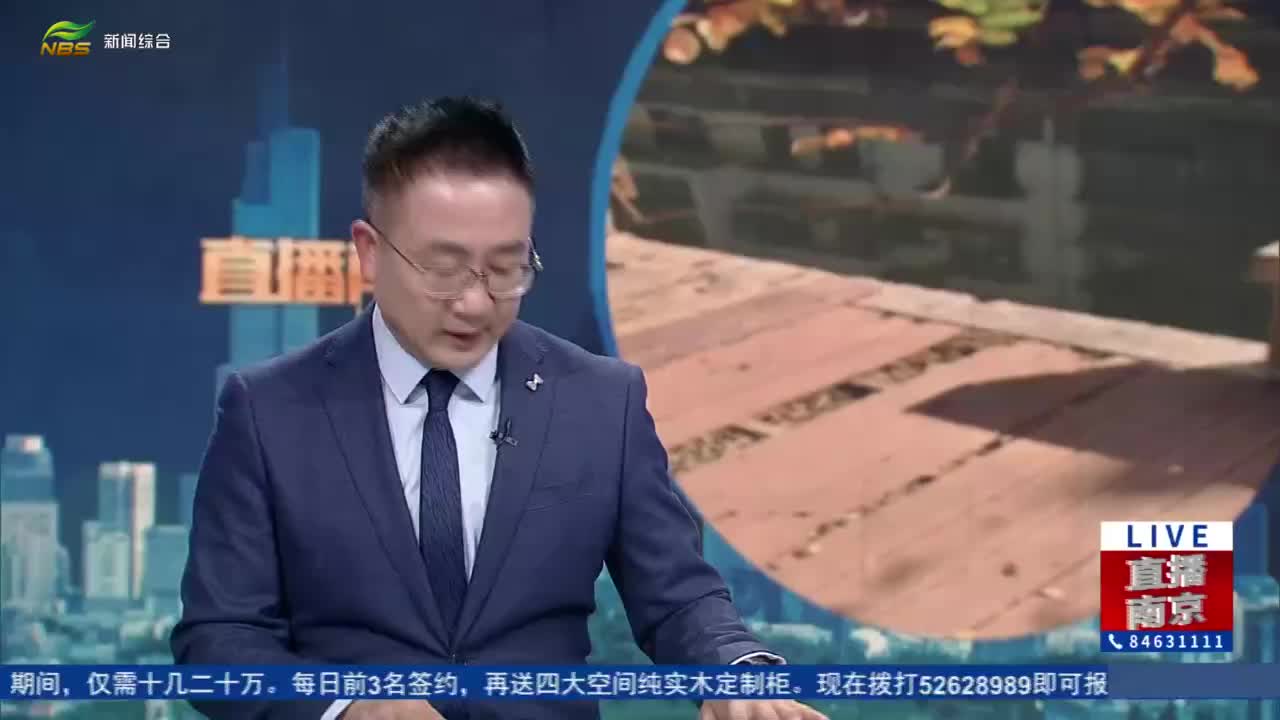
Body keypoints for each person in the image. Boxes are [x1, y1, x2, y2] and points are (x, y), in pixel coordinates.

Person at [172, 97, 828, 720]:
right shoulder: (269, 410)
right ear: (369, 252)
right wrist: (343, 708)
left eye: (507, 268)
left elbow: (678, 596)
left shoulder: (601, 400)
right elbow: (220, 637)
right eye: (443, 269)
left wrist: (737, 673)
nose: (476, 303)